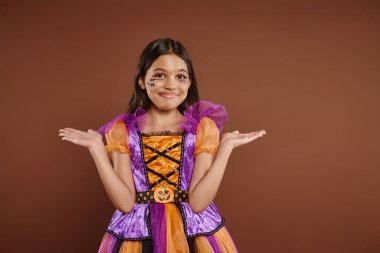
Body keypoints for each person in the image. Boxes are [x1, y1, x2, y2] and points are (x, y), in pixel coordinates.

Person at [58, 38, 266, 253]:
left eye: (181, 77)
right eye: (159, 75)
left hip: (194, 233)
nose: (171, 85)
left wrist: (226, 149)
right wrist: (96, 149)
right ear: (141, 80)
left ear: (189, 82)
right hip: (138, 235)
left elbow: (197, 203)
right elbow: (125, 203)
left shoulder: (201, 129)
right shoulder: (123, 131)